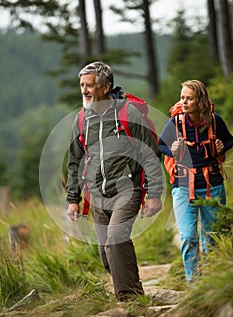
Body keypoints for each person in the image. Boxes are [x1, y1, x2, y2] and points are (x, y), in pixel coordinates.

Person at [66, 61, 163, 301]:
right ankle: (134, 289)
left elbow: (150, 154)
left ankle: (128, 299)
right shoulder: (81, 119)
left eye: (90, 85)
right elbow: (75, 161)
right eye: (81, 85)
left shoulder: (127, 112)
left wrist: (153, 194)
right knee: (105, 251)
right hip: (97, 195)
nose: (84, 90)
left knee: (115, 240)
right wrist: (73, 199)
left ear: (106, 86)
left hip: (127, 190)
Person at [159, 80, 233, 284]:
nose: (183, 102)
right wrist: (172, 149)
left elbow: (229, 140)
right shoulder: (175, 123)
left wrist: (221, 147)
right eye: (182, 97)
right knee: (188, 237)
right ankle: (194, 285)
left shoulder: (215, 121)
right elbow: (161, 145)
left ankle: (213, 282)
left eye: (188, 98)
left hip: (213, 185)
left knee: (213, 237)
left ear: (200, 100)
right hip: (183, 187)